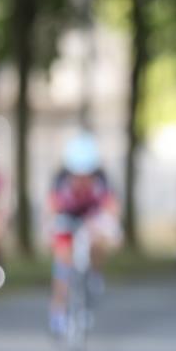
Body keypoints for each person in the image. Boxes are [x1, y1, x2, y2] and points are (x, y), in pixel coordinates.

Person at [45, 132, 121, 336]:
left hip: (91, 217)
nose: (81, 179)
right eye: (76, 174)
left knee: (99, 241)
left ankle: (94, 274)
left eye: (86, 174)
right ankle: (58, 312)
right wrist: (51, 230)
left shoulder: (101, 180)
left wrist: (109, 229)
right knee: (62, 260)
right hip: (67, 218)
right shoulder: (60, 180)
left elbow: (112, 209)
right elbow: (51, 211)